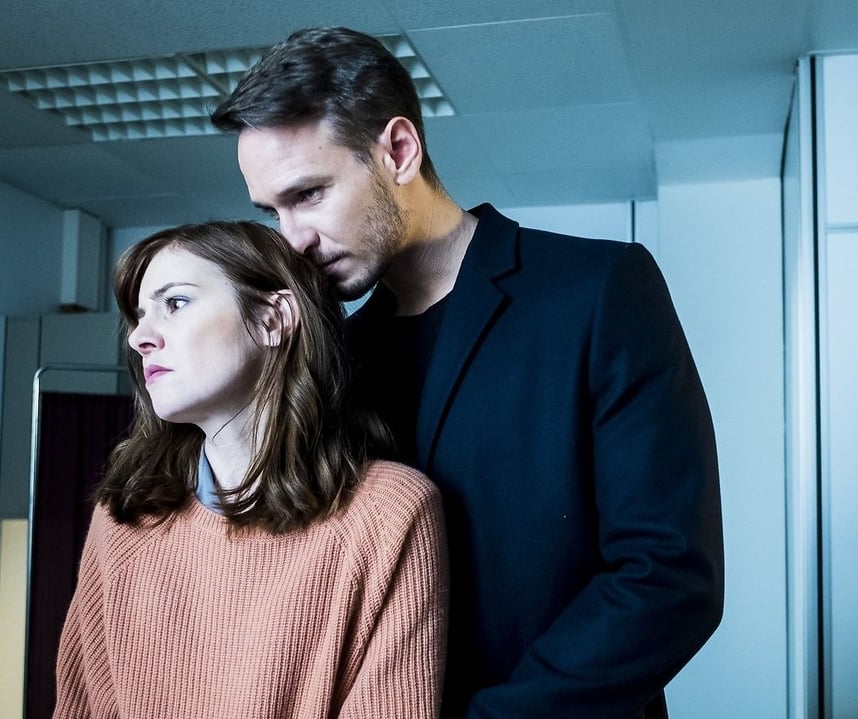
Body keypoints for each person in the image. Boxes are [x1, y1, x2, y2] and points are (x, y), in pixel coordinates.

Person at [211, 27, 725, 719]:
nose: (291, 238)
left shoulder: (598, 289)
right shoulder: (334, 358)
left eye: (308, 194)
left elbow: (668, 576)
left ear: (398, 150)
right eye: (272, 211)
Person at [52, 221, 448, 719]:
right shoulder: (124, 515)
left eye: (175, 302)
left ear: (272, 319)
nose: (139, 338)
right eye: (138, 315)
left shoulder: (390, 513)